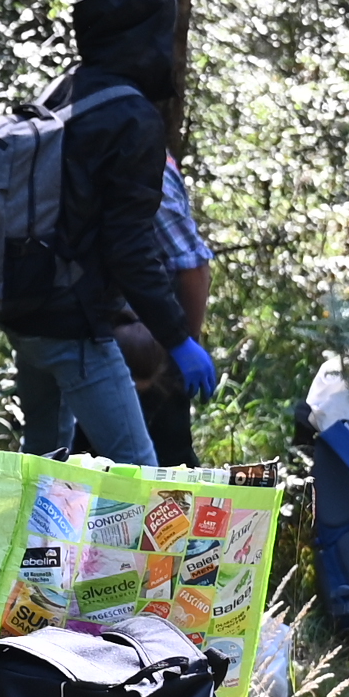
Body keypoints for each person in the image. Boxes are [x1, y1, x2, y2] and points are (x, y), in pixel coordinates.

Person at [0, 0, 208, 471]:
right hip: (77, 328)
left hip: (24, 314)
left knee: (46, 469)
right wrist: (180, 339)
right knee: (138, 474)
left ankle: (41, 554)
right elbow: (129, 243)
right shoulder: (131, 117)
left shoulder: (62, 92)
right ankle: (138, 556)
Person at [119, 155, 220, 467]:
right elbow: (191, 264)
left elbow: (191, 265)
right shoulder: (138, 161)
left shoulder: (149, 160)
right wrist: (183, 342)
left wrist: (181, 345)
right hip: (127, 339)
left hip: (149, 338)